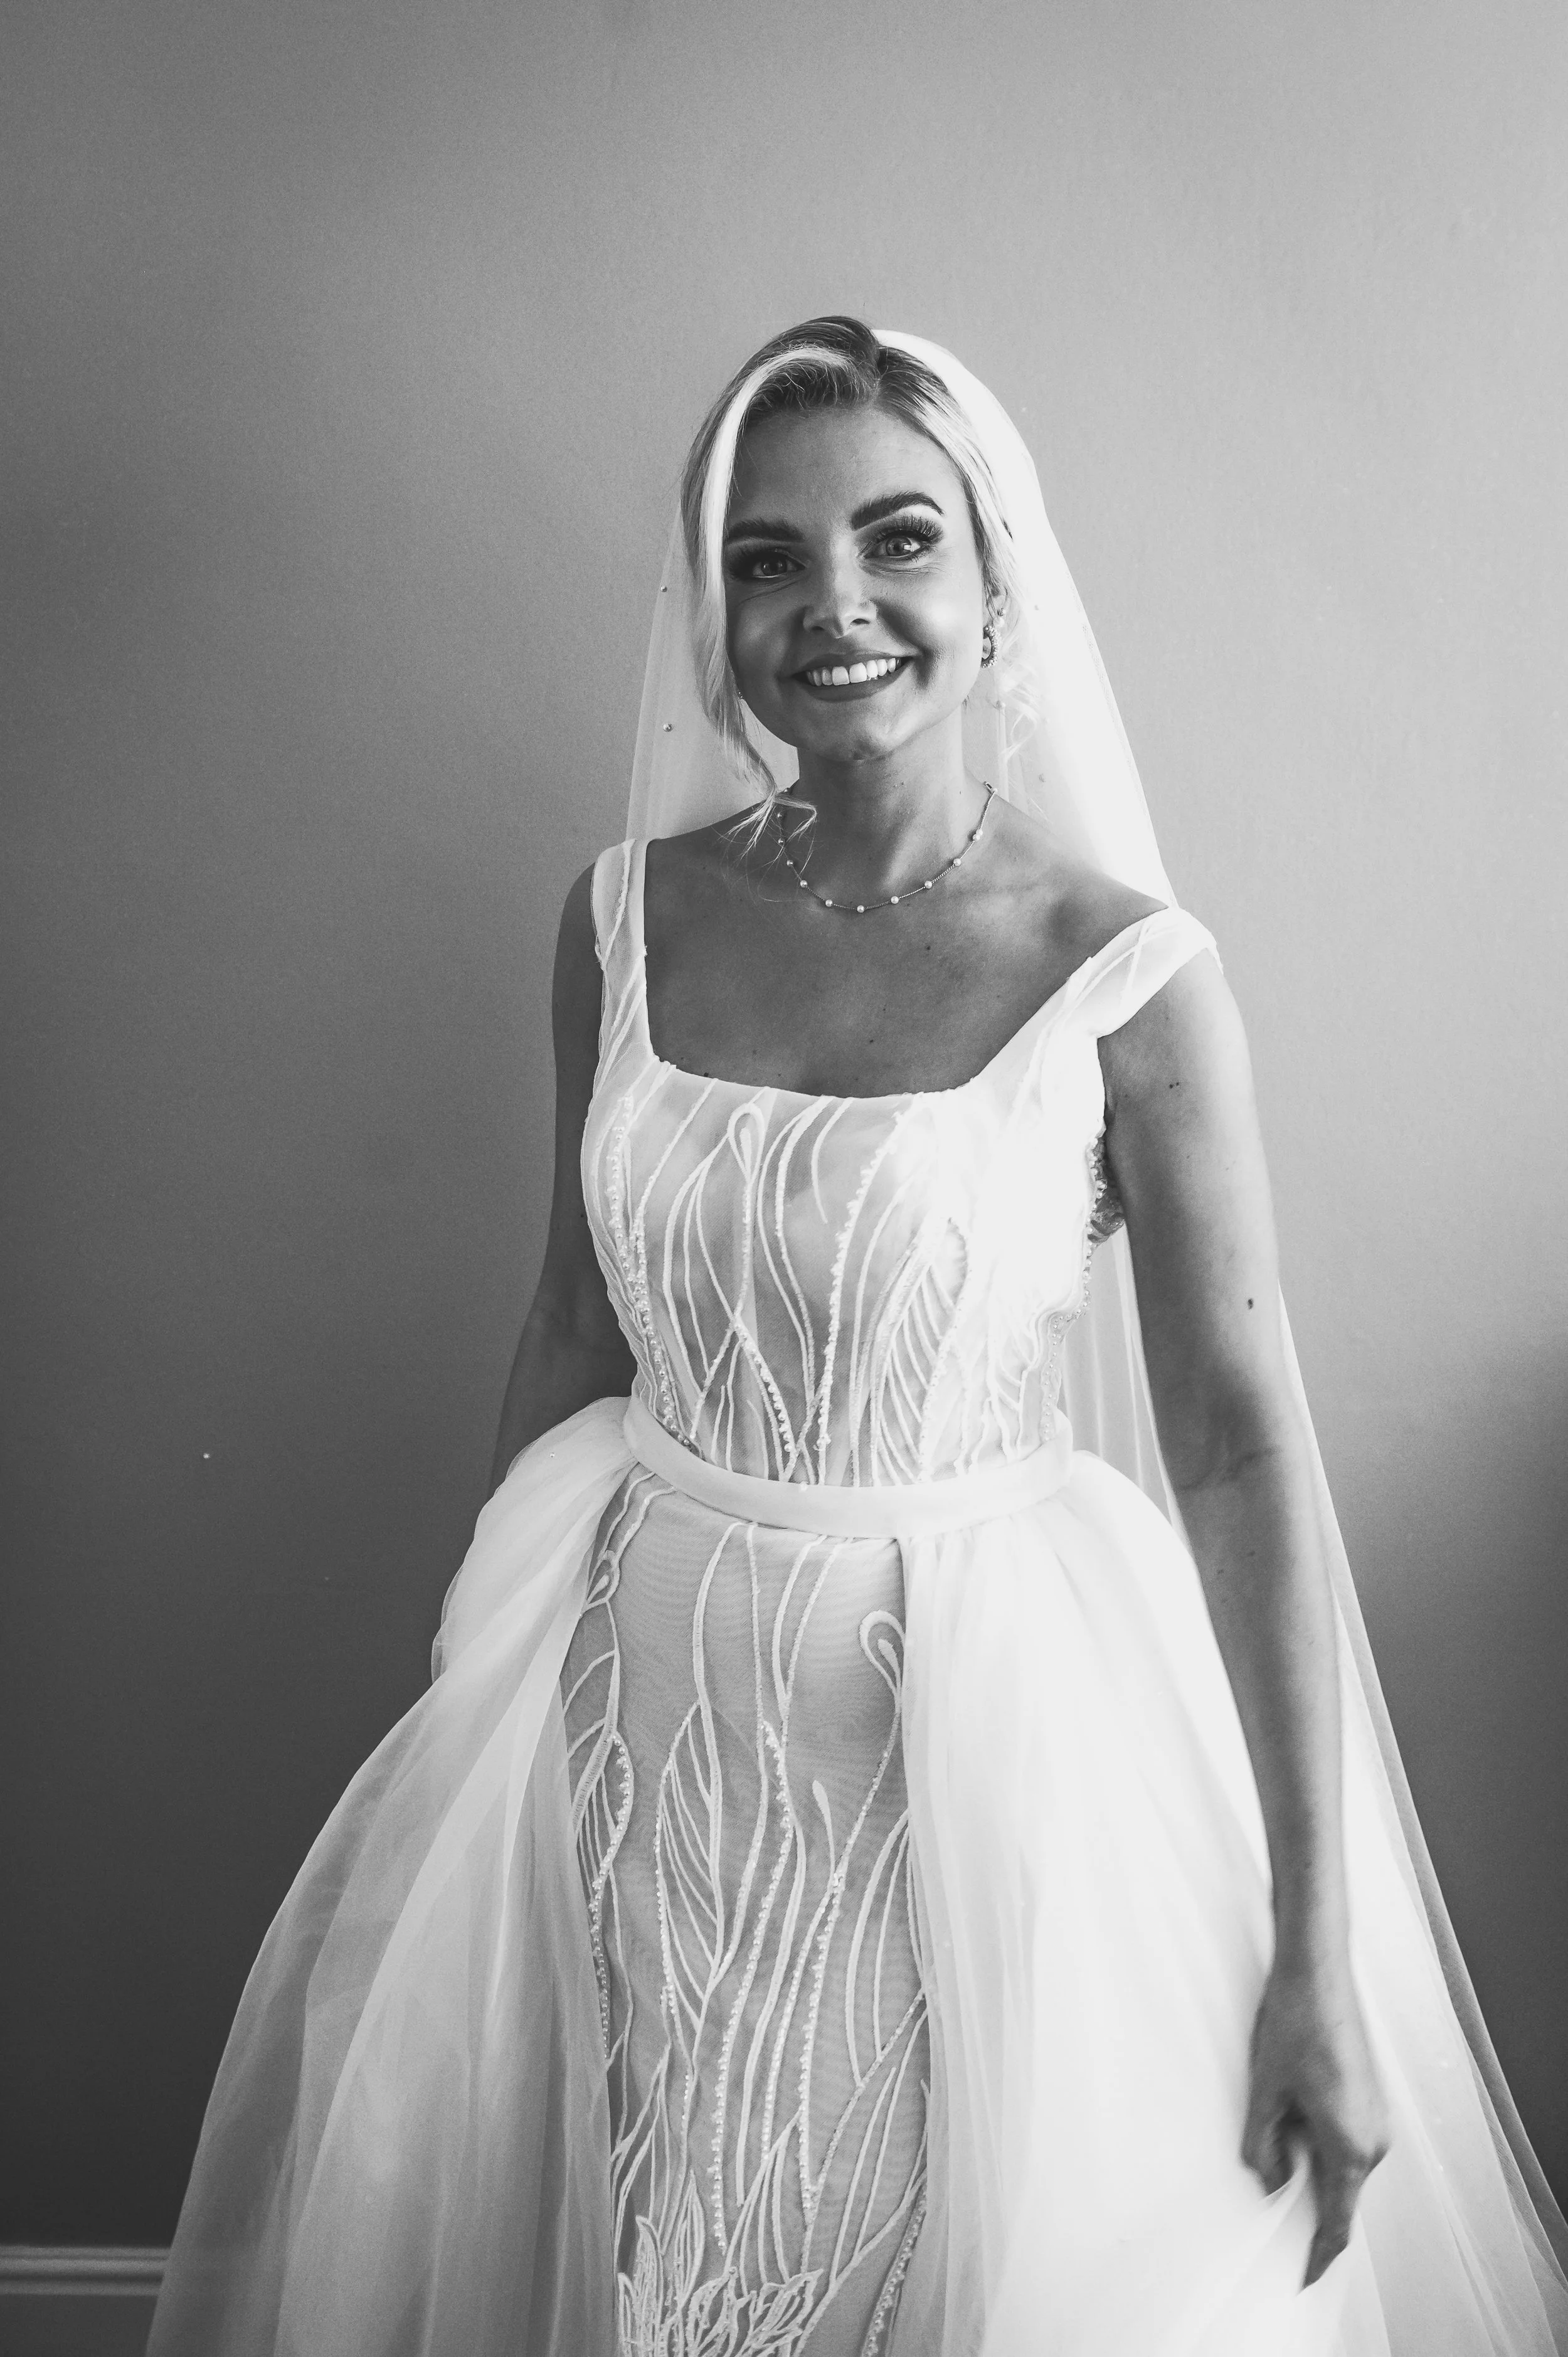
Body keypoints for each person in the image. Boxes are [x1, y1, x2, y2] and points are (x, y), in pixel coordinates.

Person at [149, 320, 1568, 2356]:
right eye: (766, 556)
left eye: (899, 540)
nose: (834, 602)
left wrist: (1312, 1944)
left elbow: (1238, 1439)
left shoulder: (1127, 978)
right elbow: (572, 1311)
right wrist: (478, 1694)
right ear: (710, 613)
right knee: (649, 2228)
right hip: (632, 1691)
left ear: (997, 584)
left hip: (977, 1728)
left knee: (935, 2234)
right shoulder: (618, 922)